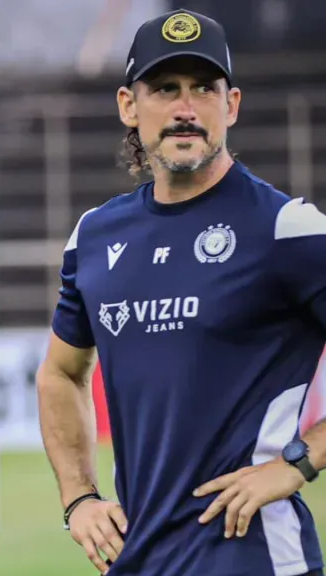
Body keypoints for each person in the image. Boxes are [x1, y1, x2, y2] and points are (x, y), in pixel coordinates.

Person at [37, 8, 326, 576]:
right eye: (165, 89)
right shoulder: (94, 236)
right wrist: (79, 498)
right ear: (128, 106)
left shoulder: (287, 229)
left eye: (203, 89)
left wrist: (297, 463)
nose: (185, 109)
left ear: (232, 105)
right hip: (136, 560)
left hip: (256, 557)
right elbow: (60, 374)